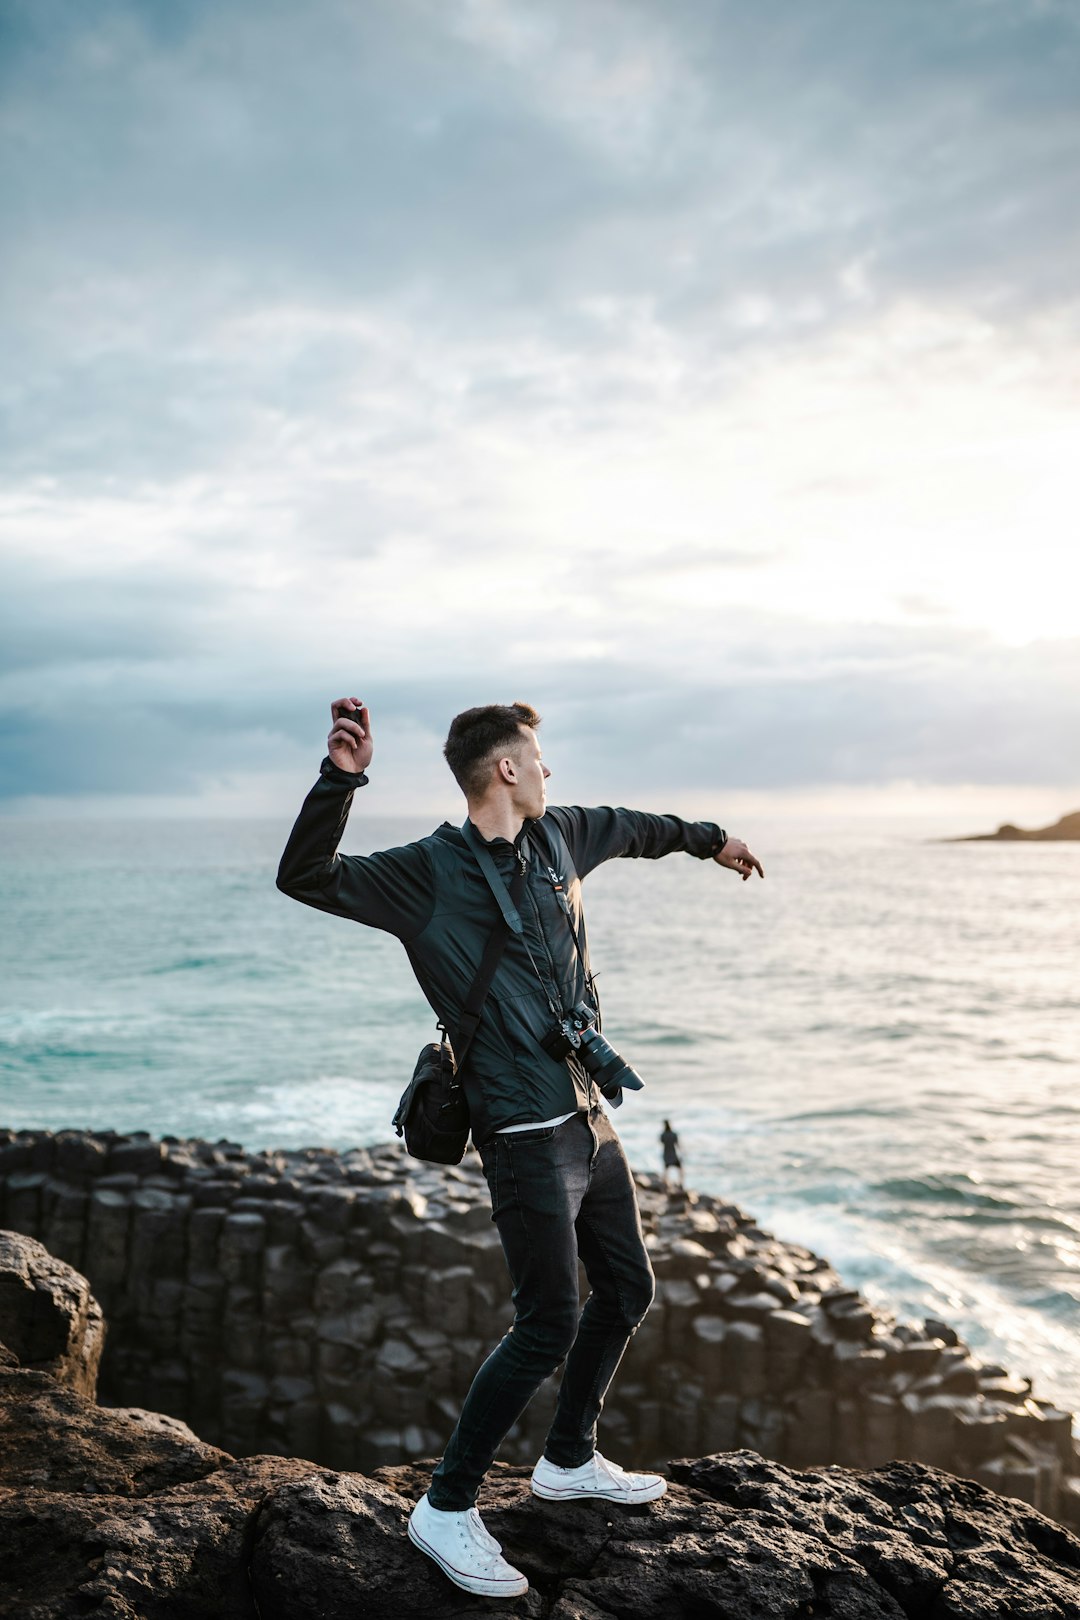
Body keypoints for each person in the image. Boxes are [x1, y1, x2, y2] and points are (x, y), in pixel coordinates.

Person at [276, 696, 763, 1599]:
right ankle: (447, 1507)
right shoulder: (426, 873)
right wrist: (340, 780)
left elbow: (638, 827)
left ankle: (569, 1457)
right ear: (506, 769)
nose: (549, 773)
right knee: (550, 1319)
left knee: (627, 1287)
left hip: (586, 1106)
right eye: (537, 759)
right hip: (518, 1125)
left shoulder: (562, 838)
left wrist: (712, 838)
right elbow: (306, 875)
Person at [660, 1119, 684, 1190]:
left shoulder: (663, 1135)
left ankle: (666, 1183)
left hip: (666, 1155)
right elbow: (677, 1144)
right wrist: (682, 1152)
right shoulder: (674, 1134)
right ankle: (680, 1182)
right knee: (680, 1169)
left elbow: (661, 1142)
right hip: (674, 1154)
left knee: (666, 1170)